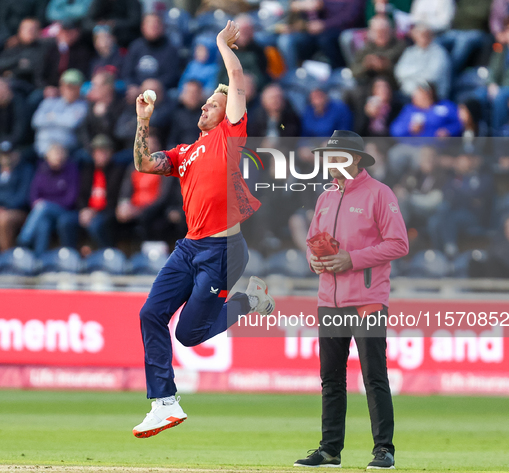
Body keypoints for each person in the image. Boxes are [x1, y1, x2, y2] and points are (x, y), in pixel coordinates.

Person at [131, 21, 275, 438]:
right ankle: (164, 404)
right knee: (150, 314)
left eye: (211, 103)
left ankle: (248, 302)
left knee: (189, 334)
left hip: (224, 250)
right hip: (190, 249)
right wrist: (143, 120)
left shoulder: (229, 135)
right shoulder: (185, 152)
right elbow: (143, 164)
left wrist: (220, 45)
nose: (203, 108)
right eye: (205, 104)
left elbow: (236, 82)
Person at [295, 130, 408, 470]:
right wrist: (313, 259)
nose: (330, 162)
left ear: (355, 159)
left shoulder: (379, 193)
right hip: (329, 299)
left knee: (374, 376)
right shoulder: (326, 196)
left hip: (367, 300)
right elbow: (314, 241)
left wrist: (352, 259)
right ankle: (330, 450)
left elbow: (399, 243)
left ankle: (383, 451)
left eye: (338, 156)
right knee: (331, 378)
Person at [17, 144, 79, 255]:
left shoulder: (71, 170)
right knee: (43, 224)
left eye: (60, 154)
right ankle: (39, 259)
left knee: (42, 207)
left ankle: (23, 240)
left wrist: (47, 204)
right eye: (55, 154)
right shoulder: (42, 170)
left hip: (64, 211)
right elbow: (33, 195)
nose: (58, 157)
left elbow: (70, 200)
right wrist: (40, 205)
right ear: (47, 157)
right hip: (43, 213)